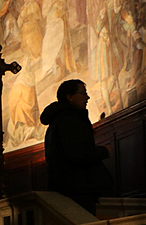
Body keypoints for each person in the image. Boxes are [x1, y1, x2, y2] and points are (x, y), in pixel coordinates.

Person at [39, 79, 113, 214]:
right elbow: (77, 153)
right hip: (77, 188)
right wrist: (103, 151)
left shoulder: (60, 119)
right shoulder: (69, 119)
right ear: (70, 97)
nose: (87, 97)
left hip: (71, 187)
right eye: (83, 93)